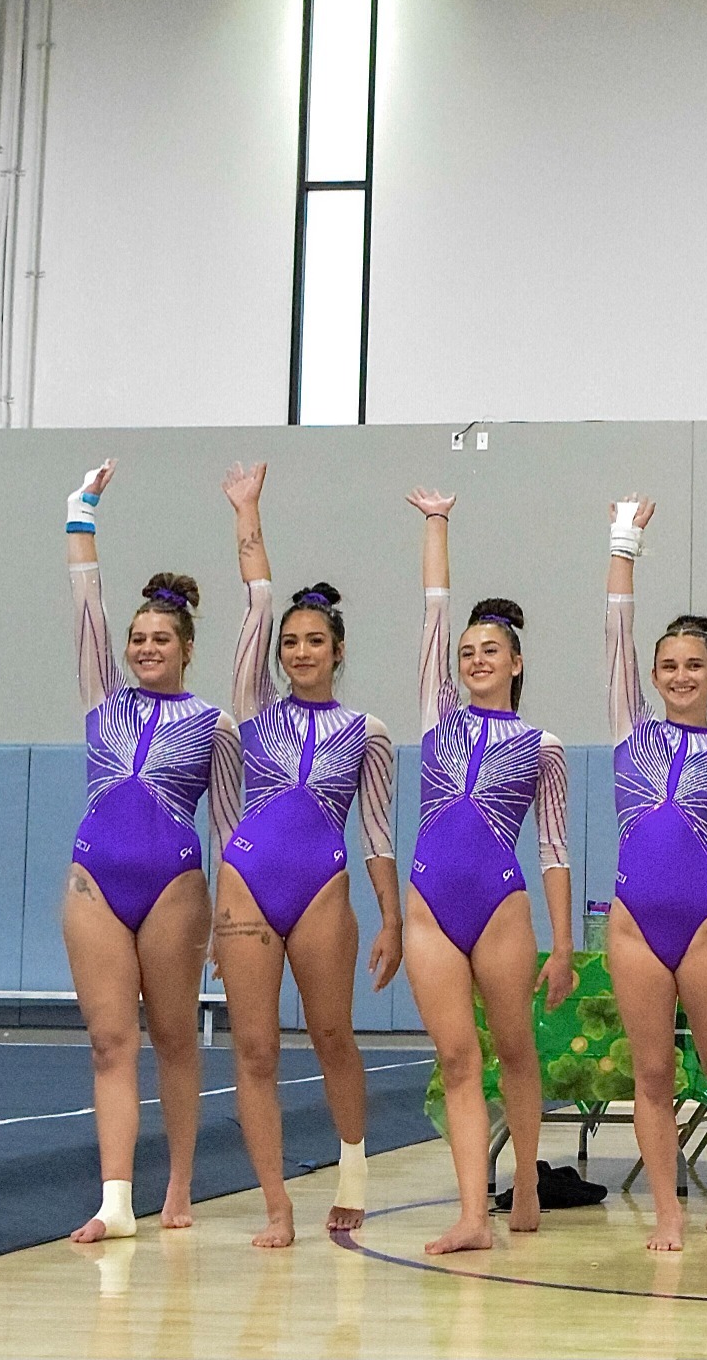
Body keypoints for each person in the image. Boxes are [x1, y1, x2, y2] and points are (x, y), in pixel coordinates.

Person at [215, 462, 402, 1247]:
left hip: (323, 886)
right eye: (290, 643)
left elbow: (380, 834)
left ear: (338, 649)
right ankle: (275, 1203)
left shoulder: (369, 733)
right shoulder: (253, 707)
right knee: (255, 1048)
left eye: (313, 642)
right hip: (247, 883)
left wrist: (391, 917)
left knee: (331, 1036)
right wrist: (248, 512)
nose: (297, 651)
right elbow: (257, 601)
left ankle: (352, 1171)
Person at [61, 460, 240, 1244]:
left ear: (187, 648)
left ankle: (178, 1184)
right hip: (95, 879)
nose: (144, 647)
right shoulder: (102, 700)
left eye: (160, 638)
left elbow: (232, 830)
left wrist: (232, 929)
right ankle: (115, 1199)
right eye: (137, 639)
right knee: (109, 1039)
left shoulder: (214, 723)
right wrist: (82, 515)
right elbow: (86, 608)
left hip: (173, 885)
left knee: (172, 1035)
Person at [404, 488, 574, 1255]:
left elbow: (556, 849)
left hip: (501, 906)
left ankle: (528, 1176)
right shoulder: (437, 717)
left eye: (489, 651)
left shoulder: (542, 744)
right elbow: (434, 610)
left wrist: (564, 946)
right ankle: (474, 1213)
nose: (474, 659)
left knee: (513, 1050)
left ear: (516, 662)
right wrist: (438, 523)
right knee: (456, 1056)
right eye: (468, 652)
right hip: (430, 903)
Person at [604, 496, 707, 1253]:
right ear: (652, 675)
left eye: (693, 666)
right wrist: (626, 540)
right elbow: (615, 629)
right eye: (667, 666)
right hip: (635, 919)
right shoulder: (628, 732)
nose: (679, 676)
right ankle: (667, 1208)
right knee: (650, 1071)